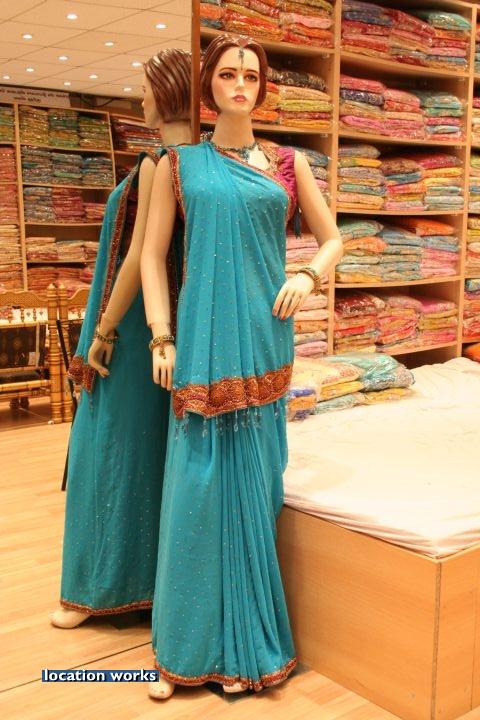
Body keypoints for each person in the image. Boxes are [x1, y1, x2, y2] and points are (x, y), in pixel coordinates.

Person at [141, 33, 343, 698]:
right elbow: (152, 256)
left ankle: (249, 649)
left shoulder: (288, 163)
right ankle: (184, 649)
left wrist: (309, 276)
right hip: (201, 343)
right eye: (228, 74)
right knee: (196, 492)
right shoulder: (179, 165)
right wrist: (160, 335)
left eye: (251, 76)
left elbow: (334, 238)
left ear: (263, 86)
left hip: (264, 339)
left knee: (256, 491)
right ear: (209, 85)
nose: (239, 85)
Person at [50, 48, 191, 630]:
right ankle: (137, 584)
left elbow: (137, 256)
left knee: (107, 449)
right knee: (140, 451)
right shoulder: (188, 160)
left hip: (130, 331)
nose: (142, 98)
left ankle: (97, 589)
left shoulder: (160, 162)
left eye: (147, 87)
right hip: (153, 322)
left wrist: (104, 329)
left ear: (168, 90)